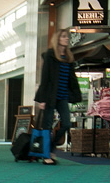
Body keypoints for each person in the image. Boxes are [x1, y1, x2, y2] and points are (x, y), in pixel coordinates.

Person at [34, 28, 83, 165]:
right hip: (50, 96)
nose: (66, 39)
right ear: (58, 39)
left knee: (67, 123)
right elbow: (45, 78)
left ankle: (51, 148)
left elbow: (71, 78)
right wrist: (42, 99)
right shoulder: (50, 56)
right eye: (63, 36)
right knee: (47, 126)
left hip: (63, 96)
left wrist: (74, 94)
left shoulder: (68, 58)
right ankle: (46, 155)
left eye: (67, 37)